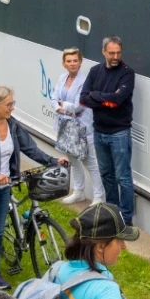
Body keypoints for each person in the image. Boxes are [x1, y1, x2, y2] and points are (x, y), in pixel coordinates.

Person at [0, 85, 67, 289]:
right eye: (9, 104)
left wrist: (53, 161)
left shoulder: (12, 125)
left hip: (5, 188)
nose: (12, 108)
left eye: (12, 103)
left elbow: (30, 148)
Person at [80, 37, 136, 225]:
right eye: (111, 53)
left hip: (119, 132)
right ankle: (113, 213)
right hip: (99, 131)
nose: (115, 57)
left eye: (118, 53)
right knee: (106, 174)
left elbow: (117, 101)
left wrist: (96, 96)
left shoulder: (127, 73)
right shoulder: (95, 71)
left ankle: (126, 218)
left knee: (123, 177)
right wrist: (105, 99)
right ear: (104, 52)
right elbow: (83, 99)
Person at [52, 47, 103, 205]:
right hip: (65, 126)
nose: (72, 64)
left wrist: (64, 106)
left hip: (82, 127)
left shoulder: (85, 81)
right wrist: (60, 107)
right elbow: (54, 97)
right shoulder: (62, 78)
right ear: (64, 63)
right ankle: (79, 191)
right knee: (73, 159)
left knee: (90, 162)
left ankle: (99, 197)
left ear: (80, 62)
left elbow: (79, 106)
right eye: (69, 61)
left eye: (75, 60)